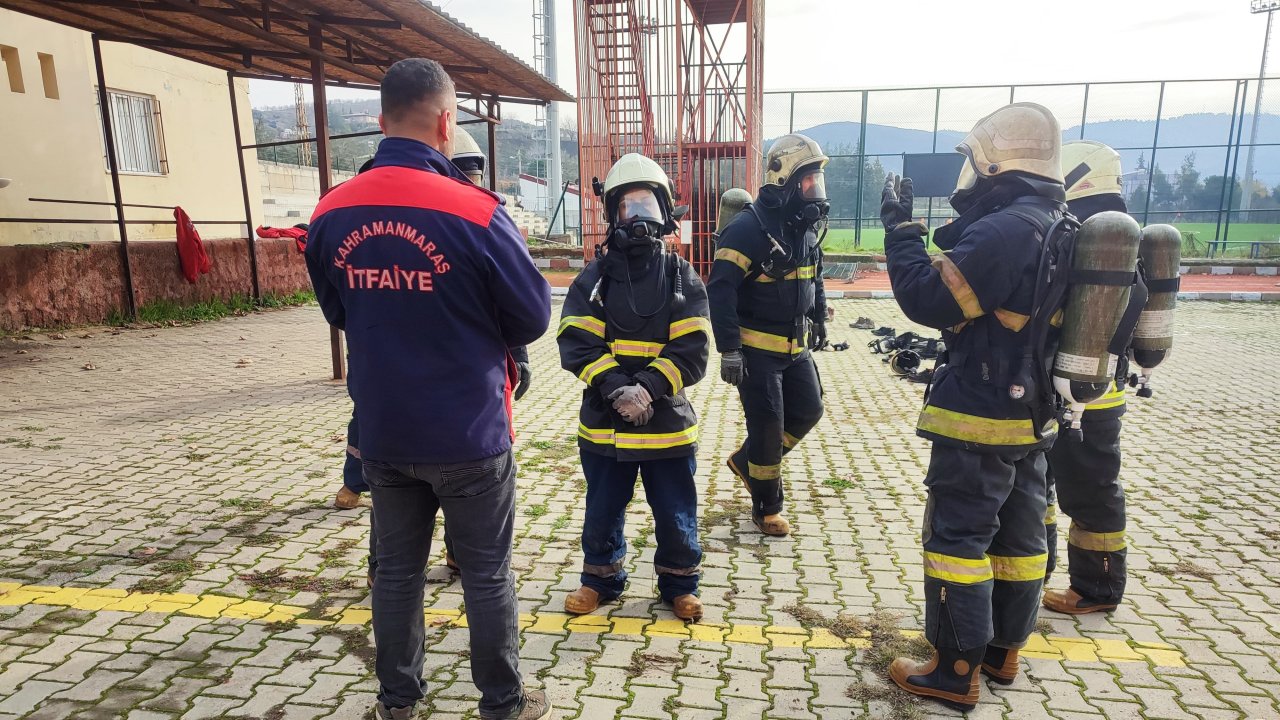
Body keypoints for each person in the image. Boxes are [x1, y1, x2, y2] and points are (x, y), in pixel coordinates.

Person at [304, 58, 552, 720]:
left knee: (396, 574)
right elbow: (531, 317)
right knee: (488, 577)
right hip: (469, 433)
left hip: (385, 432)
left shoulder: (331, 211)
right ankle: (503, 703)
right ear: (447, 122)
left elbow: (337, 308)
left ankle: (396, 703)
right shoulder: (475, 211)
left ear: (381, 120)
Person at [880, 103, 1067, 711]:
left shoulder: (1006, 229)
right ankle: (1004, 652)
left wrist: (901, 232)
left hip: (979, 416)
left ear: (994, 164)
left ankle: (954, 669)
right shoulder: (1057, 221)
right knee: (1019, 539)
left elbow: (929, 299)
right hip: (1033, 418)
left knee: (958, 541)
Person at [557, 153, 710, 621]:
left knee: (676, 510)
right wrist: (615, 388)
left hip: (665, 424)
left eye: (648, 206)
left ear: (664, 213)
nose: (639, 217)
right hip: (607, 424)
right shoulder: (595, 278)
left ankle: (680, 585)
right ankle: (599, 581)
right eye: (629, 207)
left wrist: (645, 388)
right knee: (602, 508)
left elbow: (694, 349)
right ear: (613, 214)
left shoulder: (682, 277)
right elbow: (575, 341)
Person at [706, 134, 829, 537]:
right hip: (756, 353)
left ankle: (748, 462)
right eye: (808, 182)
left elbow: (815, 276)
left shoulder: (806, 227)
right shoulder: (747, 229)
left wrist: (819, 318)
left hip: (797, 348)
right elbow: (720, 290)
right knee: (769, 426)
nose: (815, 192)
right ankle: (767, 506)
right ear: (784, 182)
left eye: (817, 182)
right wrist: (729, 350)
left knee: (809, 411)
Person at [1042, 140, 1131, 615]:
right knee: (1078, 486)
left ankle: (1096, 589)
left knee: (1081, 490)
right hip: (1100, 389)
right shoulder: (1118, 238)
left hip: (1074, 393)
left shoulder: (1082, 237)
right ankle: (1061, 575)